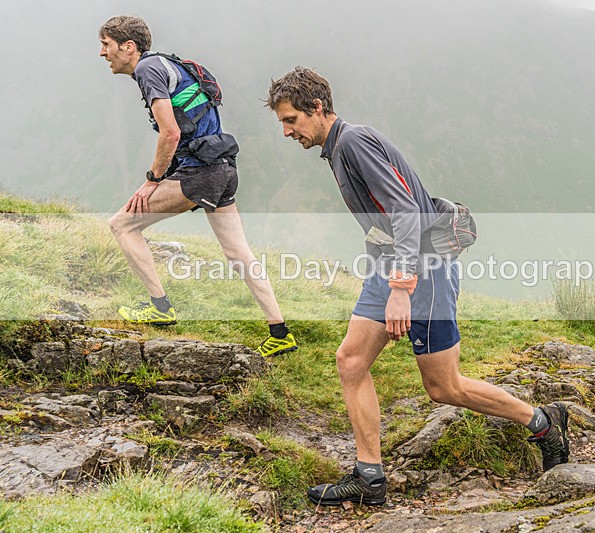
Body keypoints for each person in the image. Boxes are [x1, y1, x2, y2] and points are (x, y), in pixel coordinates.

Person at [266, 67, 570, 506]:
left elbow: (406, 210)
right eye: (282, 122)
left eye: (290, 120)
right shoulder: (340, 147)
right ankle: (369, 478)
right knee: (351, 361)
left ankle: (543, 422)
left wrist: (401, 288)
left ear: (317, 108)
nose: (286, 131)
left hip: (422, 271)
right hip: (392, 266)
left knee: (443, 387)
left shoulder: (352, 142)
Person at [98, 15, 296, 357]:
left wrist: (152, 181)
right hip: (223, 166)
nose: (102, 53)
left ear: (128, 47)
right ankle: (280, 333)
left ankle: (160, 308)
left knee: (121, 225)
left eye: (106, 45)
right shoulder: (169, 64)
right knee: (238, 252)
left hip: (199, 172)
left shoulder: (147, 70)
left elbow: (170, 132)